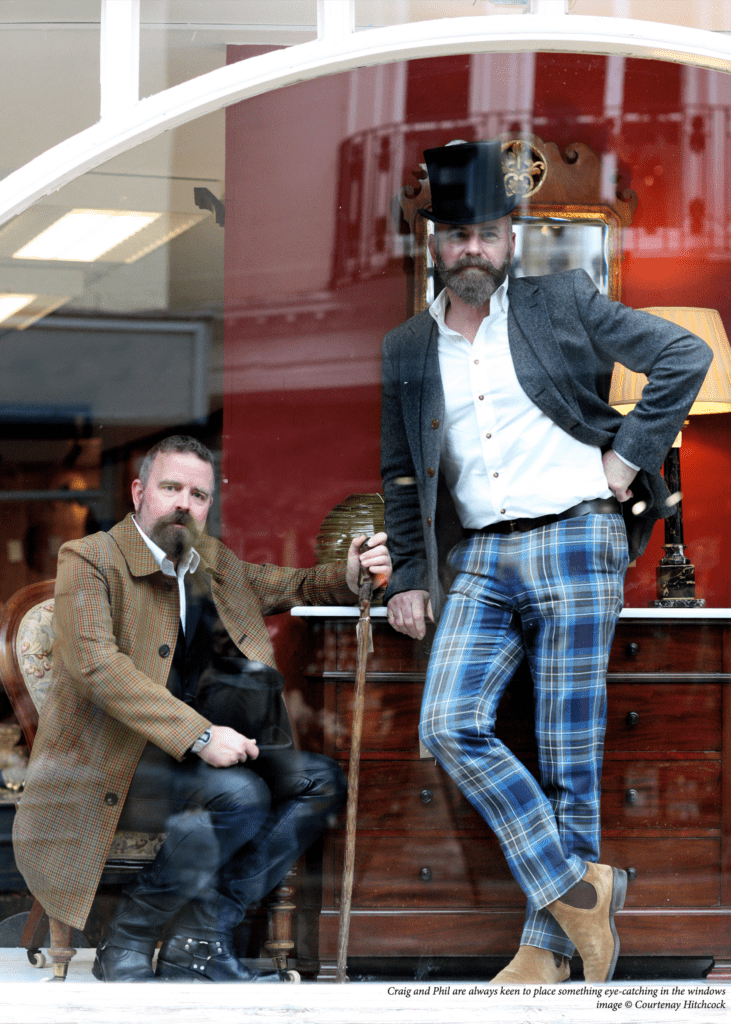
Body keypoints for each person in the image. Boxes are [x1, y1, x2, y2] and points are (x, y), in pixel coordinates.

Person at [380, 141, 712, 984]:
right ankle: (580, 887)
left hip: (575, 535)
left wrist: (626, 460)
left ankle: (546, 950)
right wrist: (413, 576)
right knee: (448, 724)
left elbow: (684, 357)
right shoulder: (406, 350)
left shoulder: (561, 301)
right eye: (455, 235)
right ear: (433, 241)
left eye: (487, 234)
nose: (472, 251)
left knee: (569, 753)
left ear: (509, 237)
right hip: (481, 556)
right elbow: (401, 472)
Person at [13, 434, 391, 984]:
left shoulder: (210, 561)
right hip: (109, 762)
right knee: (241, 794)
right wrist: (200, 735)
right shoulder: (91, 558)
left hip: (188, 762)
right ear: (140, 492)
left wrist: (352, 573)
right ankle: (132, 933)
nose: (185, 504)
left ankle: (204, 934)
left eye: (199, 494)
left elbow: (294, 583)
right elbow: (95, 664)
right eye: (172, 488)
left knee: (321, 781)